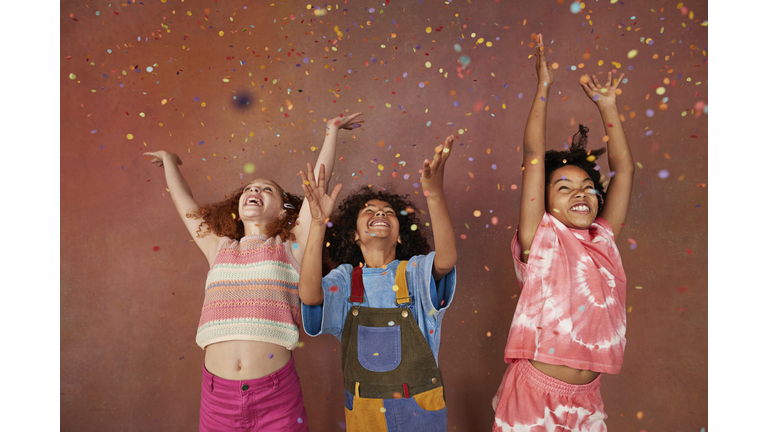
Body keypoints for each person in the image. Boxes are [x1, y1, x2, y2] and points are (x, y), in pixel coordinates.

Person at [143, 112, 364, 432]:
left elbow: (319, 181)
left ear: (285, 209)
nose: (255, 191)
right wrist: (168, 163)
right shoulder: (218, 247)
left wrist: (331, 132)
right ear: (238, 205)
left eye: (267, 190)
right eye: (250, 188)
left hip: (276, 395)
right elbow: (185, 204)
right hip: (217, 398)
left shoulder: (292, 246)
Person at [492, 34, 635, 431]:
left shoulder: (603, 239)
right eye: (564, 187)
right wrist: (543, 89)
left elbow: (624, 171)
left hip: (587, 399)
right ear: (545, 201)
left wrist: (608, 107)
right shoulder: (541, 236)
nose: (581, 194)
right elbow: (533, 156)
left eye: (588, 187)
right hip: (534, 394)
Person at [297, 135, 458, 431]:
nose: (380, 213)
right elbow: (309, 295)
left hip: (420, 409)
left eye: (388, 212)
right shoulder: (345, 280)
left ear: (399, 235)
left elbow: (445, 260)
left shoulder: (414, 273)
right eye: (368, 211)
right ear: (354, 234)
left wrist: (434, 194)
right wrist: (318, 224)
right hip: (363, 412)